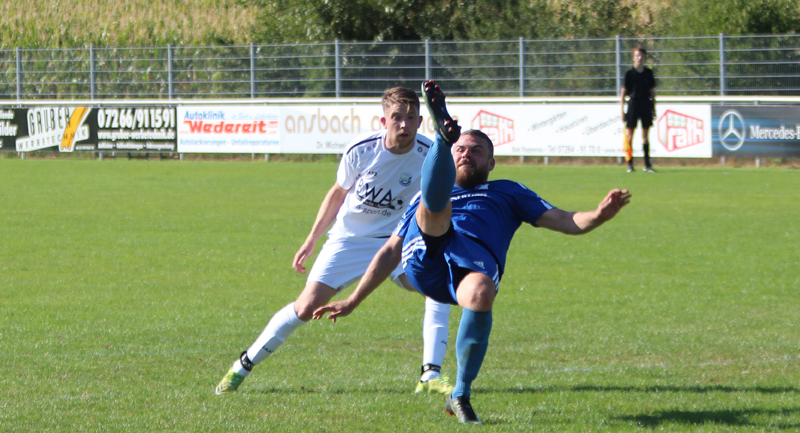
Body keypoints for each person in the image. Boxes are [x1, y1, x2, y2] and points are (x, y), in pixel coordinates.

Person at [314, 80, 631, 425]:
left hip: (467, 273)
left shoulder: (508, 192)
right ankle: (442, 136)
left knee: (481, 292)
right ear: (450, 158)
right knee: (435, 208)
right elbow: (391, 250)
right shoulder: (424, 195)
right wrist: (354, 300)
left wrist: (599, 215)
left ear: (491, 162)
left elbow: (566, 221)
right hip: (425, 262)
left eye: (476, 150)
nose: (467, 153)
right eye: (460, 148)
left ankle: (460, 395)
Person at [215, 86, 454, 396]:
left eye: (411, 118)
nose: (404, 124)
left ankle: (430, 375)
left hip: (398, 239)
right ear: (384, 121)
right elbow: (338, 192)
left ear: (421, 121)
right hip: (349, 240)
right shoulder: (362, 150)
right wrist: (311, 239)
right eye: (397, 117)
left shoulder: (429, 155)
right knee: (306, 307)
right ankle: (242, 366)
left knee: (436, 287)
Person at [621, 46, 657, 172]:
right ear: (633, 57)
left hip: (645, 104)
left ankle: (647, 165)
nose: (639, 58)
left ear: (645, 57)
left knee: (645, 135)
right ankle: (630, 164)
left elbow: (652, 91)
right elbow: (623, 92)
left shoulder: (648, 73)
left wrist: (654, 107)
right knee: (630, 135)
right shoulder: (629, 74)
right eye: (637, 55)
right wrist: (622, 110)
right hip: (633, 104)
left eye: (641, 55)